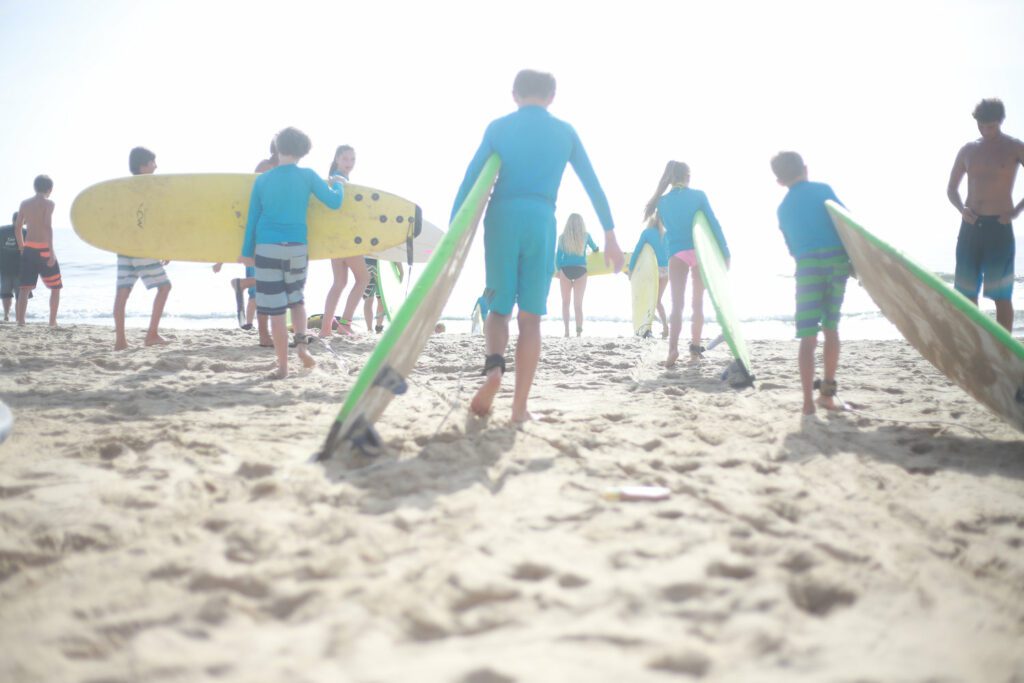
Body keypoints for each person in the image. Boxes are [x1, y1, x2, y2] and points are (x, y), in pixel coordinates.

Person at [451, 69, 624, 423]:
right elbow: (594, 185)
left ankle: (494, 370)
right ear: (552, 97)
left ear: (514, 94)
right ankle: (519, 409)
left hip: (501, 220)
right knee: (531, 320)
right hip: (542, 222)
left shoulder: (498, 128)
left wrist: (454, 232)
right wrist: (609, 235)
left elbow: (470, 179)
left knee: (498, 310)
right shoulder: (565, 132)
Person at [240, 126, 344, 379]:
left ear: (277, 149)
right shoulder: (308, 176)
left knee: (275, 310)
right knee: (297, 301)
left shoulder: (262, 180)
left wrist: (246, 252)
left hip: (266, 248)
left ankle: (283, 367)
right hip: (297, 248)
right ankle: (301, 349)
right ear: (303, 151)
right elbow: (334, 202)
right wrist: (339, 184)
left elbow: (252, 218)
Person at [771, 151, 850, 416]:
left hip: (807, 267)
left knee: (808, 337)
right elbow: (847, 224)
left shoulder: (783, 209)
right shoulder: (823, 190)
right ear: (805, 168)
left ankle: (807, 403)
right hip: (836, 263)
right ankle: (826, 396)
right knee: (831, 327)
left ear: (779, 181)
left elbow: (792, 248)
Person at [947, 98, 1023, 333]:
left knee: (1000, 294)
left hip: (999, 227)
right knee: (966, 292)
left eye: (990, 126)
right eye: (981, 125)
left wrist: (1017, 210)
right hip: (970, 226)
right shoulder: (968, 149)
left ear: (1000, 122)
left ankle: (1004, 349)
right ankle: (975, 343)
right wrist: (962, 209)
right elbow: (951, 189)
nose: (985, 130)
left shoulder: (1014, 147)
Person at [643, 161, 729, 366]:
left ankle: (672, 350)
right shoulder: (699, 196)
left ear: (670, 178)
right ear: (687, 177)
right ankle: (694, 350)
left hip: (677, 253)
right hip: (699, 252)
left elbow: (667, 227)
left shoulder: (662, 202)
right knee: (697, 303)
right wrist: (725, 253)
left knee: (677, 304)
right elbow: (714, 224)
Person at [112, 148, 172, 350]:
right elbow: (150, 220)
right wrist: (162, 248)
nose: (156, 166)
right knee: (164, 287)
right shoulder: (149, 188)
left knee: (122, 293)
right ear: (142, 166)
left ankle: (120, 341)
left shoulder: (123, 189)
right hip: (141, 247)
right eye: (153, 162)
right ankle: (152, 334)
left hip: (124, 246)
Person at [320, 144, 368, 338]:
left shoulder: (333, 180)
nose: (350, 163)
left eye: (353, 159)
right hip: (346, 239)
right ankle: (344, 324)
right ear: (337, 159)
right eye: (346, 159)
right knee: (364, 278)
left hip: (335, 238)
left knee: (339, 282)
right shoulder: (340, 180)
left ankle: (325, 329)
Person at [14, 175, 61, 326]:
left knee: (24, 288)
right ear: (49, 189)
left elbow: (18, 227)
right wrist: (52, 253)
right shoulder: (49, 204)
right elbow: (47, 227)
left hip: (28, 250)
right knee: (55, 287)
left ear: (35, 187)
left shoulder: (24, 204)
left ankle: (21, 322)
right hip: (44, 250)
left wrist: (22, 247)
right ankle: (52, 322)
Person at [555, 213, 599, 337]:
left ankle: (567, 331)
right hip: (581, 271)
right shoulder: (586, 236)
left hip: (565, 271)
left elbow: (558, 258)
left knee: (565, 302)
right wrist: (595, 251)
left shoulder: (562, 238)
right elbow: (595, 248)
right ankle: (579, 332)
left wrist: (559, 270)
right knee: (578, 304)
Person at [628, 212, 670, 337]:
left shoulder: (647, 233)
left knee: (647, 299)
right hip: (666, 271)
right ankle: (665, 327)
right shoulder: (667, 234)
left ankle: (648, 328)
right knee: (657, 301)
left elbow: (637, 251)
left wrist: (631, 270)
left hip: (652, 271)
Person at [0, 212, 28, 322]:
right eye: (19, 220)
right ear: (13, 220)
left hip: (20, 269)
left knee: (20, 295)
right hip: (5, 268)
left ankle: (19, 317)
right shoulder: (2, 231)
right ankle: (6, 315)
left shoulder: (27, 233)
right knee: (6, 294)